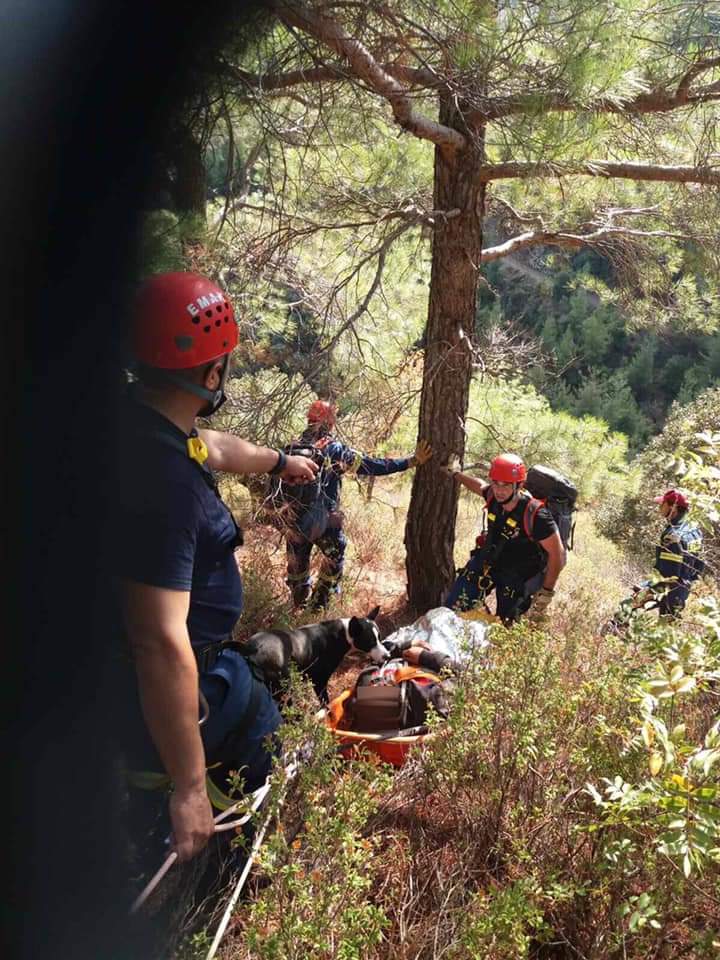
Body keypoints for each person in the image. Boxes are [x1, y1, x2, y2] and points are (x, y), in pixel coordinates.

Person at [115, 271, 319, 865]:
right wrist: (189, 786)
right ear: (210, 375)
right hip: (180, 686)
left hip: (113, 675)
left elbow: (218, 446)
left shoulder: (143, 424)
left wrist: (281, 461)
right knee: (270, 744)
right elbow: (158, 640)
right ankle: (245, 874)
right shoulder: (166, 486)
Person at [281, 400, 432, 610]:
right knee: (334, 557)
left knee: (297, 567)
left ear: (309, 420)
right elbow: (372, 465)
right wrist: (409, 462)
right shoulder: (335, 450)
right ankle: (317, 607)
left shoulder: (292, 448)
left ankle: (298, 604)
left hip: (294, 522)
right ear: (330, 423)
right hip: (326, 523)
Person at [444, 453, 566, 623]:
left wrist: (546, 592)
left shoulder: (536, 515)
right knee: (453, 608)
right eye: (496, 483)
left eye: (506, 485)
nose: (500, 490)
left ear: (519, 485)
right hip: (490, 561)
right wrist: (455, 474)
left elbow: (557, 554)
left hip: (517, 573)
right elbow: (479, 486)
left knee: (506, 626)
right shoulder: (493, 496)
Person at [652, 488, 705, 616]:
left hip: (671, 590)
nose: (660, 507)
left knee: (666, 622)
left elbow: (668, 575)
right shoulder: (694, 530)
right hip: (684, 587)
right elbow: (700, 565)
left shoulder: (673, 537)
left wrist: (648, 589)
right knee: (671, 622)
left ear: (673, 508)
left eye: (663, 504)